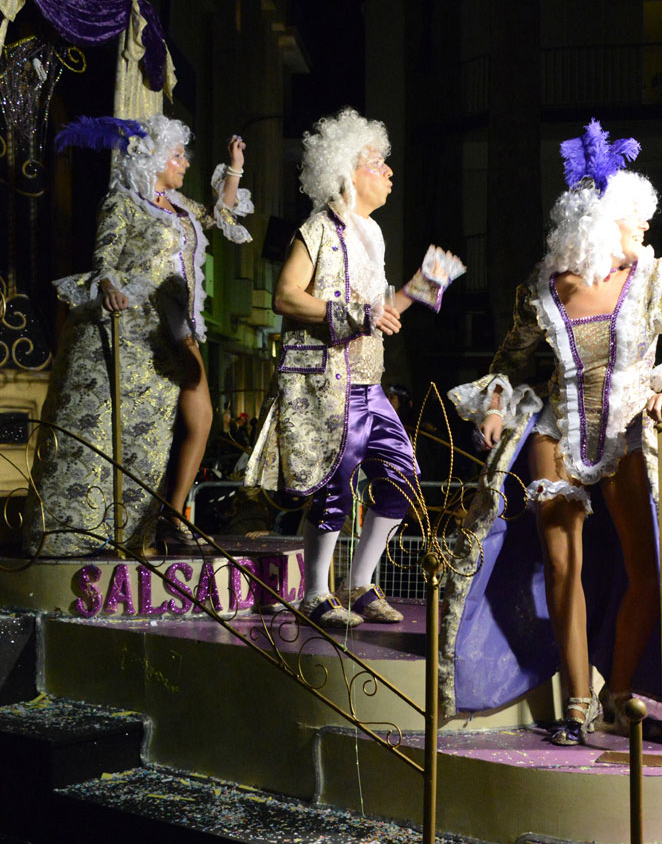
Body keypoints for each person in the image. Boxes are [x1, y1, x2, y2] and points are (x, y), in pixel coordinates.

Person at [443, 119, 662, 745]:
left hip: (630, 433)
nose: (645, 227)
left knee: (646, 570)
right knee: (562, 566)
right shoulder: (547, 289)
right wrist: (496, 404)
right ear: (605, 220)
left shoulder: (654, 279)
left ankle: (618, 689)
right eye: (636, 216)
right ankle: (577, 701)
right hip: (558, 431)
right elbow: (509, 361)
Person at [245, 107, 464, 628]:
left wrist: (422, 287)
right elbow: (285, 297)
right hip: (327, 383)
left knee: (403, 476)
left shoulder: (373, 235)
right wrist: (357, 313)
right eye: (378, 164)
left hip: (370, 382)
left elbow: (378, 314)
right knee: (332, 484)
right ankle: (316, 593)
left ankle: (361, 584)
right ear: (347, 172)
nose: (389, 172)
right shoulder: (317, 227)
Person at [23, 115, 252, 555]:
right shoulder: (123, 203)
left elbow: (219, 215)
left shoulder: (181, 206)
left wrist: (235, 165)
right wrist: (109, 288)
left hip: (178, 326)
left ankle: (170, 512)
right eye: (178, 155)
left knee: (199, 419)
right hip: (134, 326)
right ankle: (110, 532)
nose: (185, 162)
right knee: (132, 433)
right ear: (153, 160)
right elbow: (104, 257)